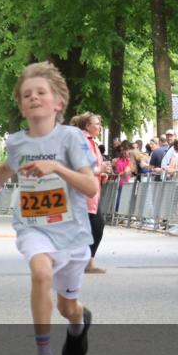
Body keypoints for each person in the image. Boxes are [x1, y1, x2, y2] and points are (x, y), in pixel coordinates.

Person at [0, 62, 97, 355]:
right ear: (22, 105)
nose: (34, 97)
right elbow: (4, 169)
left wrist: (55, 166)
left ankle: (80, 322)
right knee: (40, 272)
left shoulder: (71, 138)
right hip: (33, 227)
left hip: (72, 233)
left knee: (68, 307)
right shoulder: (17, 143)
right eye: (27, 94)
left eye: (41, 92)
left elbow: (90, 186)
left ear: (58, 103)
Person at [70, 113, 108, 275]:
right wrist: (99, 170)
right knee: (96, 225)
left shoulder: (91, 142)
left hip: (91, 190)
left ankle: (86, 262)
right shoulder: (84, 141)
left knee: (91, 226)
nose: (99, 126)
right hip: (84, 191)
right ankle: (85, 262)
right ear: (87, 126)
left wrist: (102, 173)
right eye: (96, 123)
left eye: (99, 123)